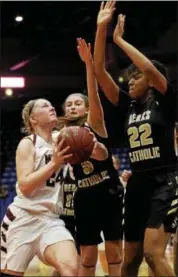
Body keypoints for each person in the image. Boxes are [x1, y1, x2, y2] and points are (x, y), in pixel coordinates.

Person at [94, 2, 178, 276]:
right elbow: (99, 73)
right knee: (130, 260)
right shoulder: (127, 106)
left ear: (152, 81)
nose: (130, 81)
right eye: (129, 77)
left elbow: (152, 70)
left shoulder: (165, 101)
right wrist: (102, 30)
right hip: (138, 183)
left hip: (165, 181)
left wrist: (120, 40)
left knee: (154, 255)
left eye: (136, 76)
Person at [57, 38, 124, 277]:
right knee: (87, 255)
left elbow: (93, 92)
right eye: (68, 105)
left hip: (109, 192)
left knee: (115, 251)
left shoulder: (95, 123)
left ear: (85, 108)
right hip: (84, 195)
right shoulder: (61, 136)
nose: (73, 107)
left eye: (77, 104)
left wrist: (88, 64)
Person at [0, 98, 80, 277]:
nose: (51, 107)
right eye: (44, 106)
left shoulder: (61, 139)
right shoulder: (28, 143)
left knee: (71, 269)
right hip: (23, 218)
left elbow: (84, 130)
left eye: (52, 105)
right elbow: (25, 185)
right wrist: (54, 163)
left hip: (50, 220)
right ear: (33, 119)